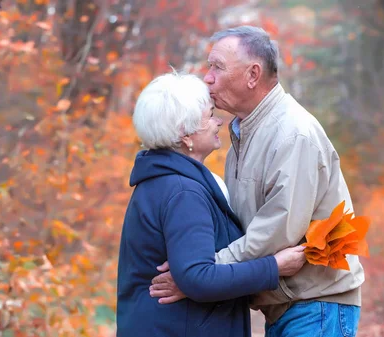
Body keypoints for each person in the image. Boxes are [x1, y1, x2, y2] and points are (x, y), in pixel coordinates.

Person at [150, 26, 365, 337]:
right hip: (287, 307)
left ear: (253, 75)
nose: (207, 77)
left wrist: (200, 273)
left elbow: (277, 231)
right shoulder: (243, 132)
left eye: (217, 67)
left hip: (317, 307)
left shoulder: (292, 133)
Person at [116, 71, 307, 337]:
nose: (218, 121)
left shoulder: (162, 182)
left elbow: (192, 274)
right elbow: (198, 278)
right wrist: (274, 267)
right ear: (186, 133)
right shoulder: (183, 192)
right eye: (209, 115)